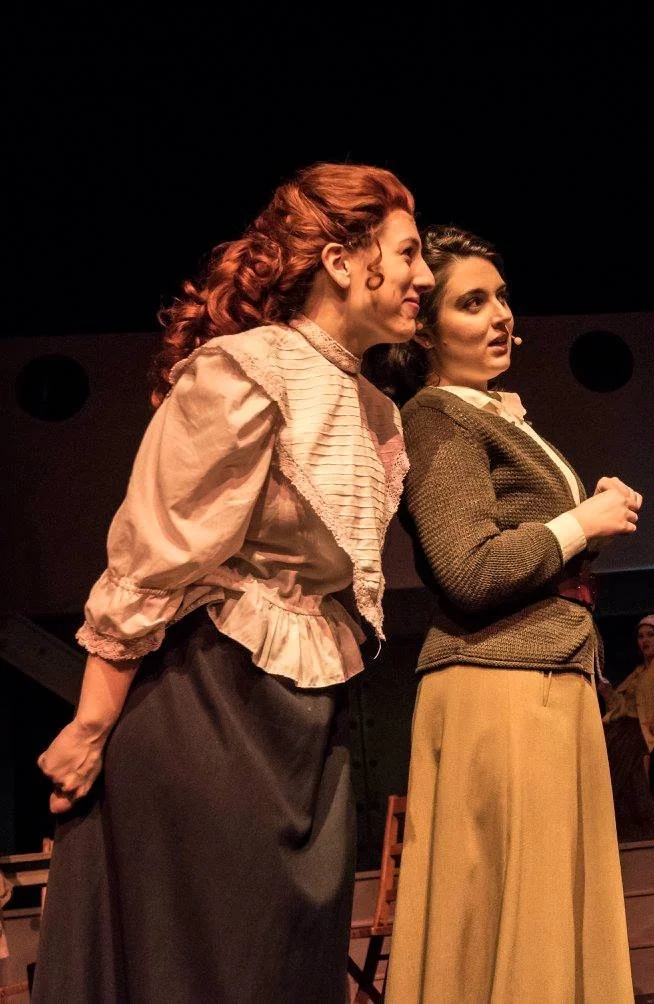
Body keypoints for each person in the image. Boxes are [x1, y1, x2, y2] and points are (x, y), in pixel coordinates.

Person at [32, 163, 432, 1002]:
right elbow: (154, 553)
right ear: (341, 260)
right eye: (407, 253)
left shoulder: (376, 410)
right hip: (207, 704)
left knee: (292, 957)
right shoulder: (246, 371)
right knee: (210, 963)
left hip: (303, 721)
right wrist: (94, 720)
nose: (423, 277)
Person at [370, 226, 641, 1003]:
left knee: (548, 905)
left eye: (501, 298)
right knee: (514, 909)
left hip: (541, 672)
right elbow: (468, 568)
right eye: (471, 302)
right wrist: (580, 524)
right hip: (501, 680)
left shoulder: (493, 415)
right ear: (423, 329)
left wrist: (588, 516)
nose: (499, 317)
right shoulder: (436, 414)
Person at [600, 613, 654, 839]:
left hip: (642, 738)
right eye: (641, 636)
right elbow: (622, 707)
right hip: (624, 734)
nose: (645, 640)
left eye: (651, 635)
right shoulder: (639, 671)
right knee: (623, 793)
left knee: (639, 789)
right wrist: (607, 692)